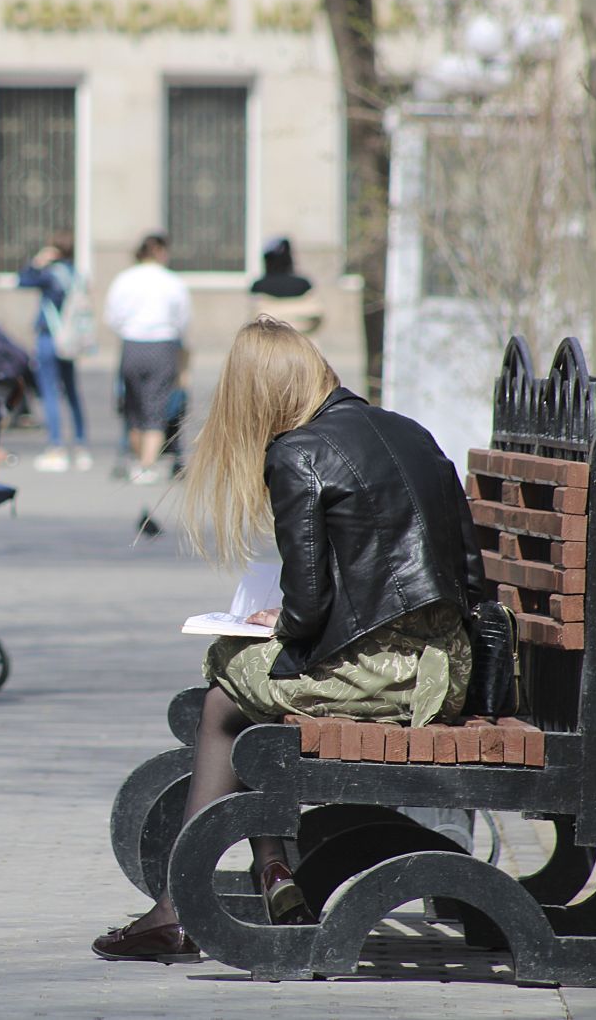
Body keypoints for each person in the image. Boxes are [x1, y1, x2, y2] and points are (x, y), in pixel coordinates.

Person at [92, 316, 485, 963]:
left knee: (226, 682)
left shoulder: (296, 452)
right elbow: (465, 569)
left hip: (389, 675)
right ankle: (271, 868)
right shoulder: (408, 430)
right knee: (254, 686)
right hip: (446, 664)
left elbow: (306, 610)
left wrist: (270, 624)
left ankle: (183, 907)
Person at [104, 233, 191, 486]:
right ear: (161, 252)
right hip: (162, 343)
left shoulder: (124, 280)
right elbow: (183, 318)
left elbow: (112, 316)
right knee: (156, 403)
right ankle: (146, 464)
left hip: (132, 343)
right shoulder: (172, 281)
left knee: (133, 404)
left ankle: (137, 457)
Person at [17, 230, 90, 472]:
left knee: (49, 391)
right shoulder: (76, 275)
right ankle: (80, 446)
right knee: (72, 391)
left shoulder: (50, 275)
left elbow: (23, 280)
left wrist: (37, 262)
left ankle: (56, 446)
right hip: (70, 339)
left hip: (50, 337)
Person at [249, 236, 320, 333]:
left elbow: (254, 317)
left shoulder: (258, 286)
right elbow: (317, 316)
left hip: (269, 343)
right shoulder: (304, 285)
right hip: (301, 340)